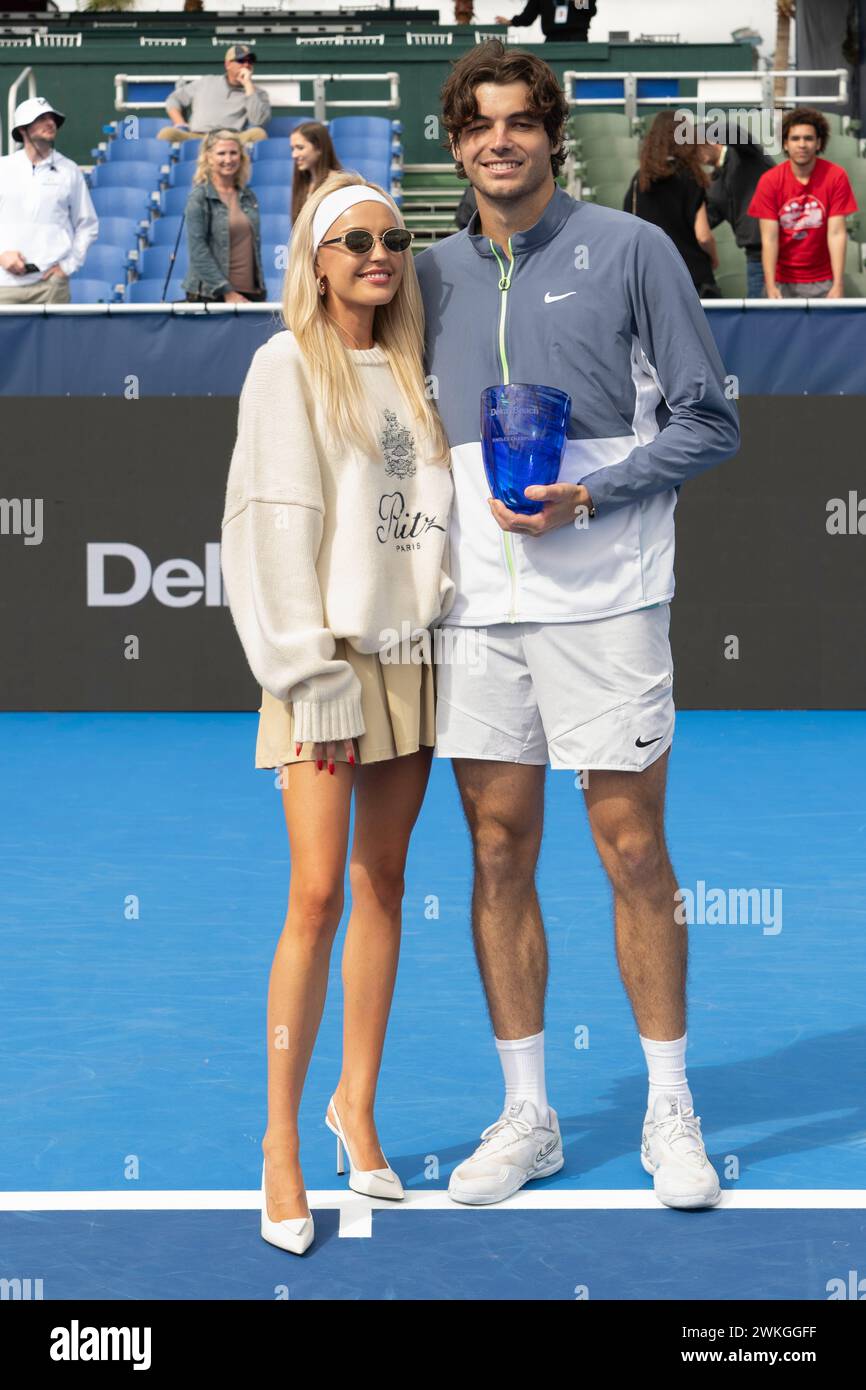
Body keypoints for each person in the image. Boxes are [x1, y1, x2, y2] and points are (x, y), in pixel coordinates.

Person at [416, 39, 739, 1211]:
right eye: (476, 125)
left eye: (518, 121)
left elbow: (710, 422)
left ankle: (668, 1107)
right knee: (496, 852)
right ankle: (528, 1115)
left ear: (550, 134)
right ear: (454, 144)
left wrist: (590, 493)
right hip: (475, 615)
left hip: (605, 603)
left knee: (631, 853)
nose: (497, 141)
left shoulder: (634, 250)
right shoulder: (426, 274)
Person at [220, 172, 455, 1255]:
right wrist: (308, 674)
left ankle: (353, 1105)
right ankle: (277, 1141)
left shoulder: (412, 370)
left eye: (394, 237)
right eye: (353, 238)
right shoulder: (283, 367)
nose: (377, 252)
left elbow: (426, 526)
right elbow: (267, 532)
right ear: (313, 261)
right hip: (325, 668)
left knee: (383, 883)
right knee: (312, 896)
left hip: (410, 658)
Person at [748, 106, 858, 300]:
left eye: (808, 138)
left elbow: (837, 233)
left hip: (824, 280)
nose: (802, 145)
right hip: (782, 281)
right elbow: (769, 238)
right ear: (785, 144)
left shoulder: (835, 176)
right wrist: (771, 284)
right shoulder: (770, 181)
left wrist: (838, 283)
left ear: (818, 143)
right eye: (795, 138)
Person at [0, 96, 97, 305]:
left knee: (56, 339)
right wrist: (1, 256)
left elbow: (88, 224)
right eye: (41, 118)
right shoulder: (3, 168)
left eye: (52, 118)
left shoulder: (70, 170)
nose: (50, 123)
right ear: (23, 129)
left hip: (51, 286)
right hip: (3, 285)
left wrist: (66, 267)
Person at [624, 111, 720, 298]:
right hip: (691, 275)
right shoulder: (691, 177)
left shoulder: (639, 180)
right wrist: (713, 257)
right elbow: (703, 236)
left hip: (651, 275)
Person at [181, 130, 266, 303]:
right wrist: (227, 292)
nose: (228, 159)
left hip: (249, 296)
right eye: (221, 153)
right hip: (211, 296)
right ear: (208, 157)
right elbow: (198, 251)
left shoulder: (249, 196)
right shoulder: (199, 197)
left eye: (233, 153)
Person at [699, 120, 776, 299]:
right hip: (755, 257)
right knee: (760, 319)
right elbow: (707, 219)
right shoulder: (713, 184)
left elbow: (732, 131)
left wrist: (698, 131)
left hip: (785, 251)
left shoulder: (744, 155)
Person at [158, 45, 270, 145]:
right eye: (241, 61)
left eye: (250, 61)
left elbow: (257, 122)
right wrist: (180, 122)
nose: (246, 65)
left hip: (232, 139)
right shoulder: (206, 82)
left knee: (259, 134)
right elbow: (174, 99)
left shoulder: (258, 93)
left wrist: (248, 85)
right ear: (228, 64)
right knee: (166, 133)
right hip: (198, 137)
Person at [291, 122, 342, 224]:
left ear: (319, 148)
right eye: (292, 149)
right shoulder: (305, 181)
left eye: (300, 148)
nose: (294, 155)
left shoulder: (337, 183)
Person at [495, 0, 597, 43]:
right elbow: (528, 17)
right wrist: (511, 22)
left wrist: (577, 2)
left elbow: (591, 9)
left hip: (576, 37)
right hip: (552, 38)